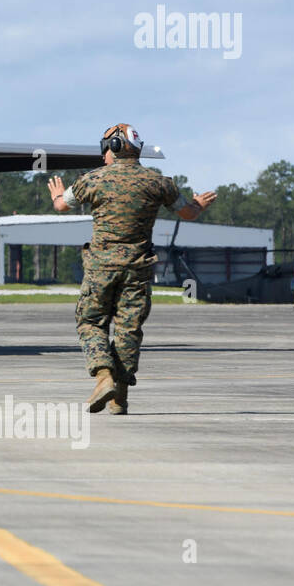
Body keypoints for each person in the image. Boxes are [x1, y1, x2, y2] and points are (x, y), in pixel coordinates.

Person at [46, 124, 216, 414]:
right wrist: (198, 203)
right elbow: (188, 212)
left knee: (91, 322)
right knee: (128, 328)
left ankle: (103, 376)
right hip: (138, 268)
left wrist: (56, 195)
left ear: (112, 148)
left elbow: (62, 206)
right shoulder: (158, 182)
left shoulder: (93, 180)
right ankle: (119, 396)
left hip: (101, 266)